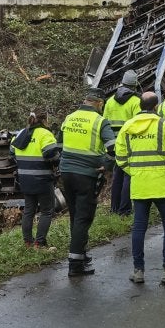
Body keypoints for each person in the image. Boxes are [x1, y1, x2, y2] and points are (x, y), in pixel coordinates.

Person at [113, 90, 165, 284]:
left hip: (139, 184)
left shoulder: (127, 127)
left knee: (139, 227)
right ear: (156, 106)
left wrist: (134, 172)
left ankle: (138, 271)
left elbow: (120, 158)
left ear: (139, 106)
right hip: (163, 183)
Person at [57, 87, 111, 278]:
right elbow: (113, 147)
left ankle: (80, 253)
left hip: (66, 173)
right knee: (84, 217)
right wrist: (106, 164)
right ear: (99, 103)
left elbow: (58, 145)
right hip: (86, 175)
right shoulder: (99, 121)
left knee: (75, 215)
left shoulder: (69, 118)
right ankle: (75, 264)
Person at [12, 110, 59, 249]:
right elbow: (52, 155)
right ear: (45, 120)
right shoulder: (45, 134)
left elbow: (11, 152)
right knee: (46, 211)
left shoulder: (21, 133)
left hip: (25, 179)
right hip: (42, 179)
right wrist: (56, 163)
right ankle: (40, 243)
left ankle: (28, 242)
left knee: (28, 210)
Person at [103, 72, 141, 215]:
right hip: (129, 143)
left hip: (113, 145)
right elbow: (138, 124)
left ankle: (114, 208)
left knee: (116, 176)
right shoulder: (136, 102)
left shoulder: (110, 101)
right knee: (128, 176)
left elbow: (105, 124)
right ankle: (125, 210)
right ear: (135, 85)